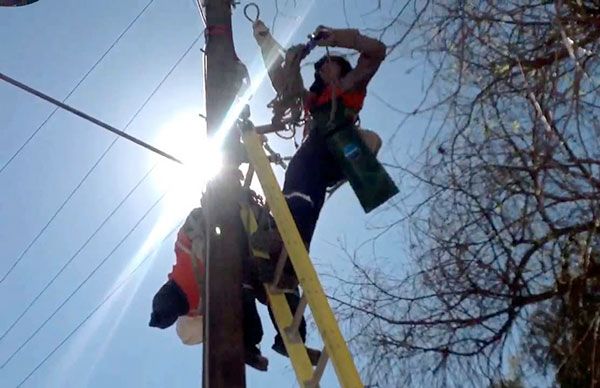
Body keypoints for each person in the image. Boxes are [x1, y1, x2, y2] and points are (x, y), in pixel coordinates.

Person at [252, 22, 387, 252]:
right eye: (320, 68)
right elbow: (284, 83)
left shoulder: (352, 84)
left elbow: (376, 52)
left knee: (306, 159)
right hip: (320, 156)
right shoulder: (313, 102)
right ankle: (284, 245)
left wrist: (336, 38)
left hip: (344, 146)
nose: (323, 69)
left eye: (329, 64)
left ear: (341, 67)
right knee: (299, 169)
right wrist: (266, 42)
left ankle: (295, 231)